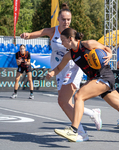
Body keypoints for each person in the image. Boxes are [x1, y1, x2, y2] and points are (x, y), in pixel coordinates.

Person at [46, 27, 119, 144]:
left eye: (63, 40)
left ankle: (74, 130)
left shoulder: (88, 44)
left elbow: (106, 49)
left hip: (104, 76)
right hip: (97, 80)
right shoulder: (70, 54)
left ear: (70, 39)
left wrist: (110, 55)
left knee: (79, 96)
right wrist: (51, 72)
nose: (61, 42)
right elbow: (59, 68)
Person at [20, 3, 102, 142]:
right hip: (59, 70)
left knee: (63, 102)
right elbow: (40, 32)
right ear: (58, 19)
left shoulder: (72, 34)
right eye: (63, 19)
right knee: (66, 103)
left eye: (68, 19)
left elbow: (83, 49)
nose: (66, 22)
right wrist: (28, 35)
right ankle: (92, 113)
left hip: (73, 69)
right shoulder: (53, 31)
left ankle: (80, 131)